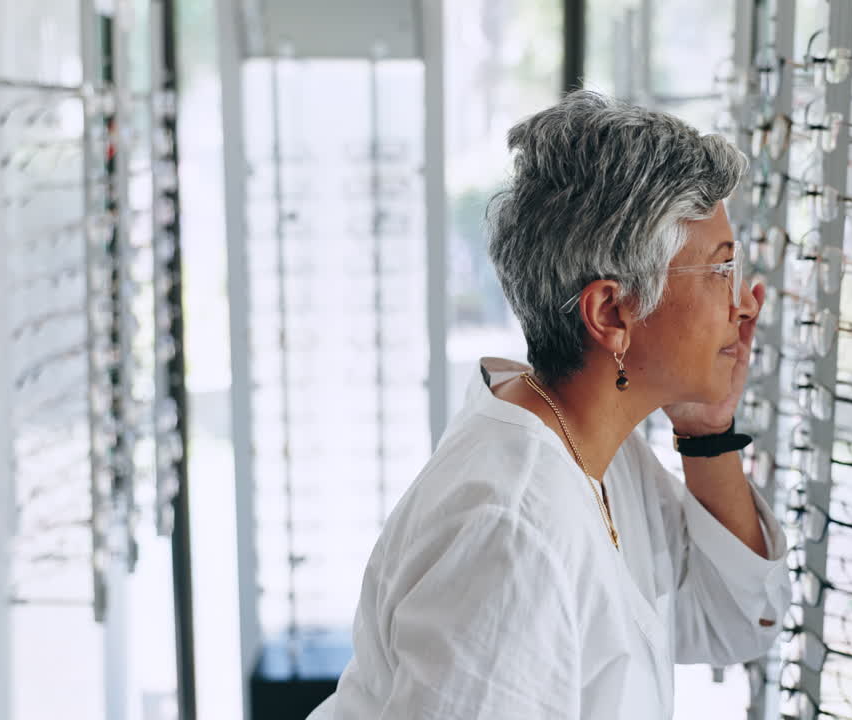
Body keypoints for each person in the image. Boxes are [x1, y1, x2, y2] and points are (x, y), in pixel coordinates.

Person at [307, 90, 789, 719]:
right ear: (612, 312)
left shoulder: (598, 449)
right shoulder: (511, 534)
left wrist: (706, 429)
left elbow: (735, 621)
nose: (745, 303)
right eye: (721, 272)